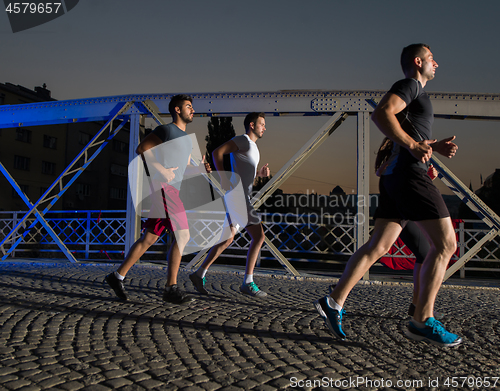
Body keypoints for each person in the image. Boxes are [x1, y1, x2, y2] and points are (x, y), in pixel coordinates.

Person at [314, 44, 462, 347]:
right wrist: (412, 145)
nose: (438, 64)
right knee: (446, 244)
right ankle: (422, 320)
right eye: (433, 59)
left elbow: (408, 133)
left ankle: (334, 301)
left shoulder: (417, 93)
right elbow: (381, 114)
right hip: (409, 177)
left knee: (378, 246)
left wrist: (432, 146)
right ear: (418, 62)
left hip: (396, 178)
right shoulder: (411, 85)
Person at [105, 94, 211, 304]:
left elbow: (183, 170)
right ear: (177, 110)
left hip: (172, 189)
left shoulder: (187, 139)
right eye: (189, 106)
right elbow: (141, 149)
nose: (193, 110)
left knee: (150, 237)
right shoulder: (166, 130)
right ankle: (170, 288)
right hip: (164, 188)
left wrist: (199, 168)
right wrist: (161, 169)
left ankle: (116, 277)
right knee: (183, 235)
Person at [189, 112, 270, 297]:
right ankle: (247, 283)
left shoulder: (254, 148)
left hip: (241, 196)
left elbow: (246, 176)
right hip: (238, 196)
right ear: (251, 125)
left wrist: (260, 176)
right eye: (262, 124)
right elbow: (217, 152)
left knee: (227, 239)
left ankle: (199, 273)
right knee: (259, 237)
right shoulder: (243, 140)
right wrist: (223, 177)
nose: (265, 128)